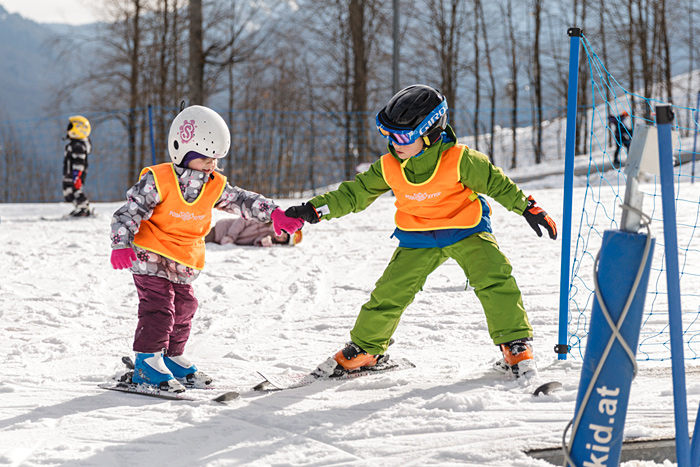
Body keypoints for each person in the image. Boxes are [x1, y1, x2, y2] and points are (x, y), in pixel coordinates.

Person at [285, 85, 557, 380]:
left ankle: (515, 343)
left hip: (465, 228)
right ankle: (366, 350)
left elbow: (497, 183)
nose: (393, 143)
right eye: (387, 133)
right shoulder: (389, 166)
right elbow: (356, 192)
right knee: (390, 292)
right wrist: (315, 209)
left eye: (402, 136)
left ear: (430, 133)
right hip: (418, 237)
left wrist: (527, 207)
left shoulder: (460, 159)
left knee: (495, 279)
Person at [109, 105, 303, 393]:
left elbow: (242, 200)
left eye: (215, 159)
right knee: (159, 308)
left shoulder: (214, 185)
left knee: (185, 307)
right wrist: (121, 244)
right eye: (204, 158)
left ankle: (172, 357)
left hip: (183, 260)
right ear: (183, 153)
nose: (211, 164)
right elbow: (128, 212)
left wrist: (274, 213)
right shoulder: (158, 181)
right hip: (149, 255)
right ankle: (147, 362)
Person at [63, 115, 93, 217]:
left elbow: (79, 162)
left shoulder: (78, 146)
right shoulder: (74, 144)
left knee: (75, 190)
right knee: (68, 192)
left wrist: (76, 175)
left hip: (75, 174)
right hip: (70, 173)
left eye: (70, 127)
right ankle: (79, 208)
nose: (67, 130)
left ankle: (83, 208)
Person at [205, 217, 302, 247]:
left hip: (220, 241)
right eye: (283, 234)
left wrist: (263, 242)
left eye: (283, 239)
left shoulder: (269, 238)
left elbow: (255, 241)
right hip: (221, 230)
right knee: (194, 238)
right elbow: (243, 220)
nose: (281, 237)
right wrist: (230, 236)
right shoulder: (265, 222)